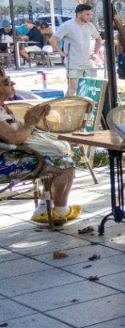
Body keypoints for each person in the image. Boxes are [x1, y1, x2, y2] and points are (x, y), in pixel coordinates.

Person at [0, 70, 79, 224]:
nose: (13, 83)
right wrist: (30, 122)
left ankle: (45, 207)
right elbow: (14, 138)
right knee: (65, 165)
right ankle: (57, 209)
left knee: (56, 157)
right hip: (3, 160)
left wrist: (33, 121)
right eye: (7, 81)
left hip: (9, 154)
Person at [53, 3, 102, 93]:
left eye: (91, 14)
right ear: (78, 14)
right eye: (87, 14)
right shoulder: (67, 25)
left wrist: (95, 53)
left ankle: (88, 105)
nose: (90, 17)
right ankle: (68, 106)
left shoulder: (90, 26)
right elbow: (53, 40)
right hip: (73, 62)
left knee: (91, 87)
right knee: (73, 88)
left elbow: (98, 39)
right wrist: (62, 53)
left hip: (88, 61)